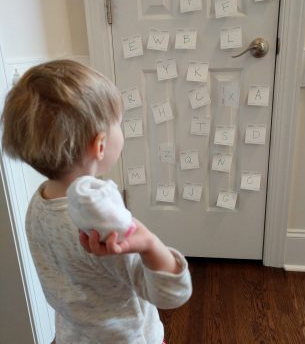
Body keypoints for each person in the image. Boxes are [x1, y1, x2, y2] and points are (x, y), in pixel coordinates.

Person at [1, 60, 192, 344]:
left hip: (73, 336)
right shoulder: (101, 227)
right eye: (119, 123)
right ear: (100, 145)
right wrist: (150, 243)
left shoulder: (38, 203)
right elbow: (170, 294)